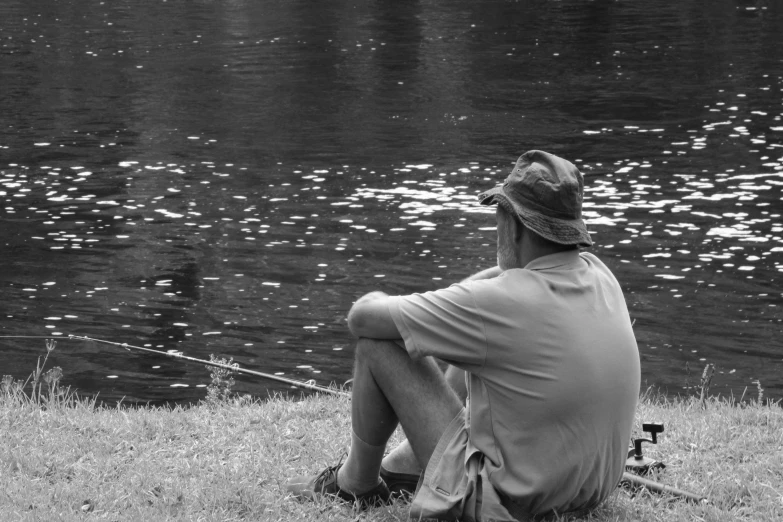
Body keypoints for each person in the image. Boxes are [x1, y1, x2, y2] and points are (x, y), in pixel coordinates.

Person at [286, 150, 641, 521]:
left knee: (377, 346)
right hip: (586, 491)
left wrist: (430, 297)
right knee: (470, 352)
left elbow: (362, 318)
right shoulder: (600, 275)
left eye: (499, 214)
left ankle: (356, 482)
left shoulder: (501, 302)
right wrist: (472, 293)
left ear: (514, 226)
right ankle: (404, 466)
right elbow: (501, 295)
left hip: (504, 502)